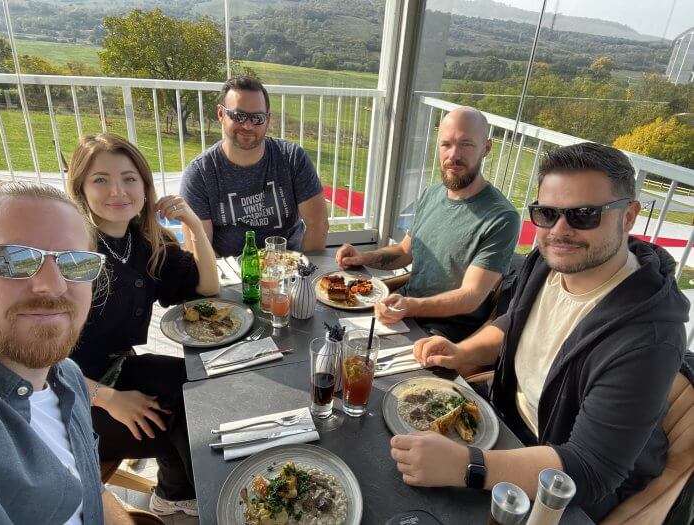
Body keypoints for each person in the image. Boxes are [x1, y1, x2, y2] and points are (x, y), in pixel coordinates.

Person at [393, 143, 688, 521]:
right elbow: (514, 323)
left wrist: (468, 466)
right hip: (504, 422)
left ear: (628, 216)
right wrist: (464, 352)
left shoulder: (648, 338)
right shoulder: (549, 264)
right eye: (547, 213)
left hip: (561, 483)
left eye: (584, 215)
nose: (559, 231)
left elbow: (591, 468)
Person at [67, 133, 220, 516]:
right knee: (178, 415)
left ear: (145, 186)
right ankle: (212, 501)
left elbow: (206, 287)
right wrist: (111, 400)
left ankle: (177, 494)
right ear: (81, 188)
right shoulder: (72, 254)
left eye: (129, 178)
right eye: (100, 179)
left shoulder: (144, 240)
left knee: (199, 386)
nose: (117, 190)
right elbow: (39, 362)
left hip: (118, 369)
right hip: (71, 400)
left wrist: (192, 225)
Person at [0, 181, 133, 524]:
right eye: (14, 259)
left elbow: (91, 489)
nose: (52, 285)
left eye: (76, 263)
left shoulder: (66, 376)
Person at [336, 106, 520, 341]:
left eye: (466, 144)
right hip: (402, 311)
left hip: (442, 332)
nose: (453, 155)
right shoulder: (432, 194)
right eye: (446, 144)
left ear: (486, 148)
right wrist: (362, 258)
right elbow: (404, 252)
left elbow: (470, 296)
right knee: (334, 334)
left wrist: (410, 306)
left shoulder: (502, 217)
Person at [180, 76, 329, 256]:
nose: (248, 125)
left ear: (267, 119)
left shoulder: (292, 158)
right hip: (232, 274)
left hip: (290, 269)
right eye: (238, 115)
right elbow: (200, 249)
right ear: (221, 114)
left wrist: (304, 275)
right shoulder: (200, 174)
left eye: (257, 118)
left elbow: (318, 224)